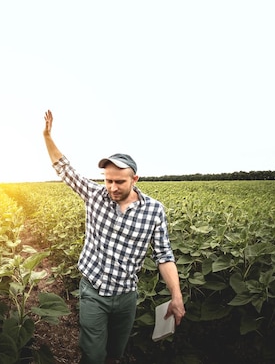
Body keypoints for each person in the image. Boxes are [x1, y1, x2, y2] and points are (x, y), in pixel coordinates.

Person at [41, 110, 185, 364]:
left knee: (114, 354)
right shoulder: (94, 196)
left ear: (135, 179)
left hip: (127, 295)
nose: (112, 188)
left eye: (119, 182)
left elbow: (164, 255)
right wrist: (47, 136)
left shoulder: (154, 210)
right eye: (108, 181)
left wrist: (176, 295)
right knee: (94, 355)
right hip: (94, 291)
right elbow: (64, 168)